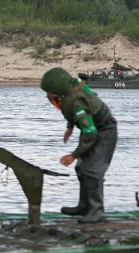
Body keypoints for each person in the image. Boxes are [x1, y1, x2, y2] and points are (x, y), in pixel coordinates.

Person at [41, 67, 117, 223]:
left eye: (49, 93)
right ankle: (85, 206)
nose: (48, 96)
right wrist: (70, 128)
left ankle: (97, 212)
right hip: (95, 128)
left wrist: (73, 155)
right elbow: (75, 114)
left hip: (104, 131)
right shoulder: (72, 90)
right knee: (81, 168)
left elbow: (90, 132)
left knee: (92, 171)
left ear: (57, 92)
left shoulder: (77, 103)